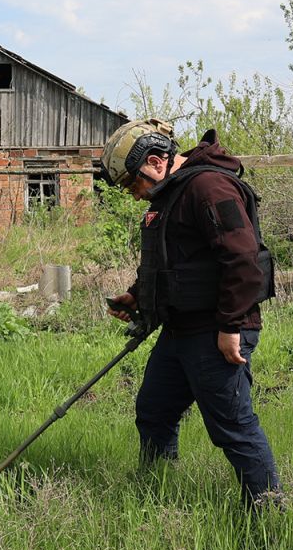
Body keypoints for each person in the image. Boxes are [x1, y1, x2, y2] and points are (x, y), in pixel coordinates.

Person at [102, 121, 282, 506]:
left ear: (155, 161)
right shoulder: (171, 195)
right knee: (154, 410)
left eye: (133, 184)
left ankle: (268, 514)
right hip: (181, 329)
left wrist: (230, 325)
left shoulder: (208, 187)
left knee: (232, 426)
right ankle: (157, 492)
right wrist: (135, 296)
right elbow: (175, 261)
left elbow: (243, 260)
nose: (134, 195)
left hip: (217, 329)